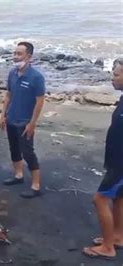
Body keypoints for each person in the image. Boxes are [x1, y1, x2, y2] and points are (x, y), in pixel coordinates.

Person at [82, 58, 123, 260]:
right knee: (119, 198)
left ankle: (108, 248)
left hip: (121, 164)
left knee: (100, 199)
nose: (112, 78)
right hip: (116, 160)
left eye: (116, 75)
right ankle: (118, 237)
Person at [0, 42, 45, 199]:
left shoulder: (36, 77)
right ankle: (18, 175)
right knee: (14, 149)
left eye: (19, 54)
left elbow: (40, 101)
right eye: (14, 53)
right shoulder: (12, 73)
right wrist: (2, 115)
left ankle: (36, 185)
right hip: (11, 118)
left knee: (28, 153)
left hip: (25, 122)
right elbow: (8, 95)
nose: (15, 57)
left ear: (29, 56)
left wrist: (32, 123)